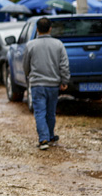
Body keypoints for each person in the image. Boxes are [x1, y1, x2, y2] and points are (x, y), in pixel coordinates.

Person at [22, 17, 70, 151]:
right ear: (50, 29)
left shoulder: (30, 45)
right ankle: (50, 136)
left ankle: (44, 138)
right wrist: (64, 80)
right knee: (50, 112)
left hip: (37, 84)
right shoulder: (58, 44)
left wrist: (28, 75)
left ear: (37, 29)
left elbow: (25, 65)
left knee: (40, 112)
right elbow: (64, 65)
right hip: (53, 85)